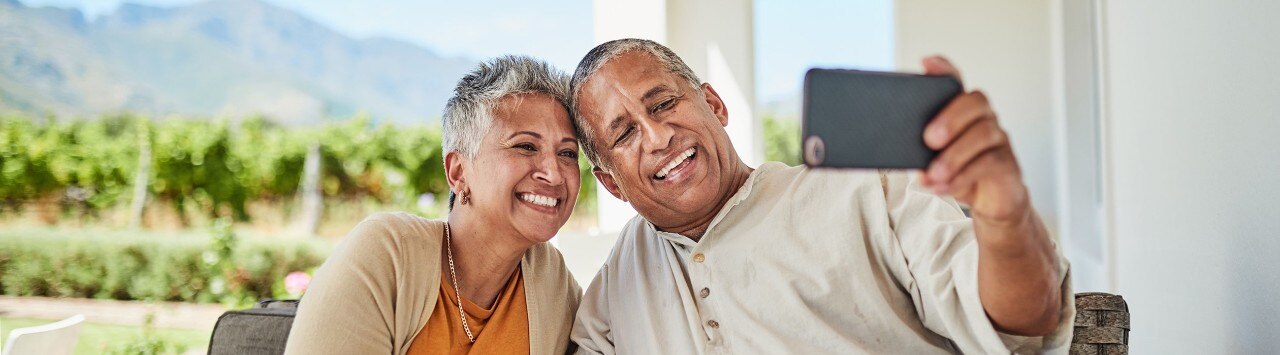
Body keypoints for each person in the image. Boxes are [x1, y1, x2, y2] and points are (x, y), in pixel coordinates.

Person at [567, 38, 1073, 354]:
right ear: (611, 183)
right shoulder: (619, 279)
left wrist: (1005, 216)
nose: (658, 138)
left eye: (663, 104)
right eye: (624, 134)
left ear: (714, 105)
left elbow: (1026, 319)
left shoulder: (864, 192)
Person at [284, 55, 583, 355]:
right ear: (458, 172)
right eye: (526, 146)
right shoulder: (389, 254)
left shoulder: (553, 284)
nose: (554, 173)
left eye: (568, 153)